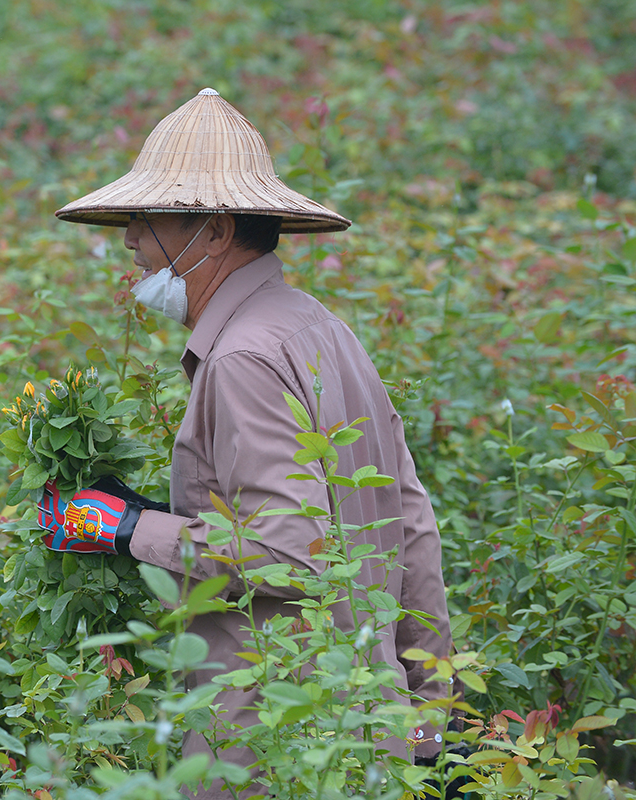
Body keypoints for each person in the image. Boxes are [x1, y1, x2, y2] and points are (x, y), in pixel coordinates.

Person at [36, 89, 453, 797]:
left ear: (219, 230)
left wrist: (134, 529)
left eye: (148, 220)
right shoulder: (320, 330)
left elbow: (290, 548)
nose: (131, 240)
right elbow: (411, 528)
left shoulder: (242, 358)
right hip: (359, 728)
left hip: (275, 738)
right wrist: (428, 719)